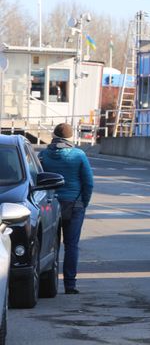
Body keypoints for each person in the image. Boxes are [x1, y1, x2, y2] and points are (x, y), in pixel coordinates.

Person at [38, 123, 94, 295]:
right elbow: (88, 183)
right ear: (70, 138)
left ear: (54, 136)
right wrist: (83, 202)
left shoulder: (44, 155)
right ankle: (70, 284)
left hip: (49, 205)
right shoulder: (78, 155)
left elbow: (37, 179)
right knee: (71, 245)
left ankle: (46, 284)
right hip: (74, 204)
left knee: (48, 245)